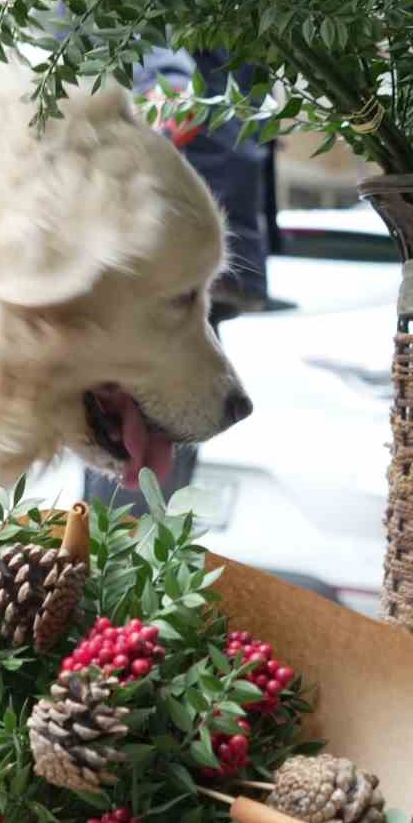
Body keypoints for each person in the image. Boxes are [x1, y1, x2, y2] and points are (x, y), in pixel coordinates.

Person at [84, 44, 276, 514]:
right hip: (172, 225)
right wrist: (165, 88)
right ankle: (122, 552)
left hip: (198, 226)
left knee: (174, 412)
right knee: (149, 410)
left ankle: (134, 550)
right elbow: (134, 25)